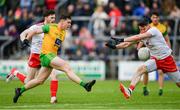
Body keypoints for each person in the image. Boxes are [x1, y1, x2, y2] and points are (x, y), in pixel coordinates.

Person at [13, 14, 96, 103]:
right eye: (68, 22)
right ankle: (85, 85)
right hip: (46, 55)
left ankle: (19, 90)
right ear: (62, 21)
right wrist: (26, 39)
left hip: (51, 57)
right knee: (66, 67)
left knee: (39, 81)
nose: (70, 25)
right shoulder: (50, 27)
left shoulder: (63, 33)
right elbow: (35, 31)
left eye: (70, 23)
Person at [106, 17, 180, 99]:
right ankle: (129, 91)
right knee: (140, 69)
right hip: (155, 59)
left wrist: (121, 39)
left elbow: (137, 37)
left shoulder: (153, 30)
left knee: (178, 83)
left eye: (143, 28)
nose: (142, 30)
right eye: (140, 29)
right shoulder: (142, 34)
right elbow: (127, 44)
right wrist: (115, 47)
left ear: (148, 25)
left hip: (167, 59)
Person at [6, 10, 59, 103]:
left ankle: (53, 98)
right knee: (28, 82)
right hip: (35, 56)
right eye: (52, 17)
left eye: (54, 18)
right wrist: (24, 40)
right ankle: (15, 72)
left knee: (53, 75)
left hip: (47, 56)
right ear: (45, 17)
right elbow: (22, 34)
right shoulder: (36, 27)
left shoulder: (54, 28)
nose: (53, 20)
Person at [141, 12, 171, 96]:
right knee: (145, 70)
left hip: (160, 52)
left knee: (160, 72)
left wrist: (169, 50)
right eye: (153, 17)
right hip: (150, 51)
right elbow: (141, 38)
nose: (155, 19)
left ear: (158, 18)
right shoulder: (148, 26)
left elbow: (167, 39)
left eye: (156, 17)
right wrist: (139, 47)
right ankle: (145, 87)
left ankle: (160, 89)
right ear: (151, 18)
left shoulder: (162, 27)